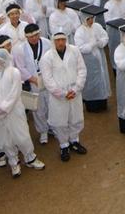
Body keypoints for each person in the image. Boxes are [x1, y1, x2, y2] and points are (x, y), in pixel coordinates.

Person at [0, 48, 45, 177]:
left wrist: (4, 107)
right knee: (5, 139)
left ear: (0, 60)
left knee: (22, 136)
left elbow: (15, 93)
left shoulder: (14, 72)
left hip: (14, 111)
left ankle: (30, 158)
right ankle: (14, 162)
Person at [40, 30, 88, 160]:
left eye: (63, 40)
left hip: (75, 93)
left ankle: (74, 141)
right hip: (58, 96)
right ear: (53, 41)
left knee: (76, 118)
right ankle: (63, 146)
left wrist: (76, 88)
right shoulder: (47, 57)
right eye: (58, 40)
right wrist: (62, 94)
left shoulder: (75, 51)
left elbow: (82, 70)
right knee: (60, 121)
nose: (61, 43)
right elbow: (47, 79)